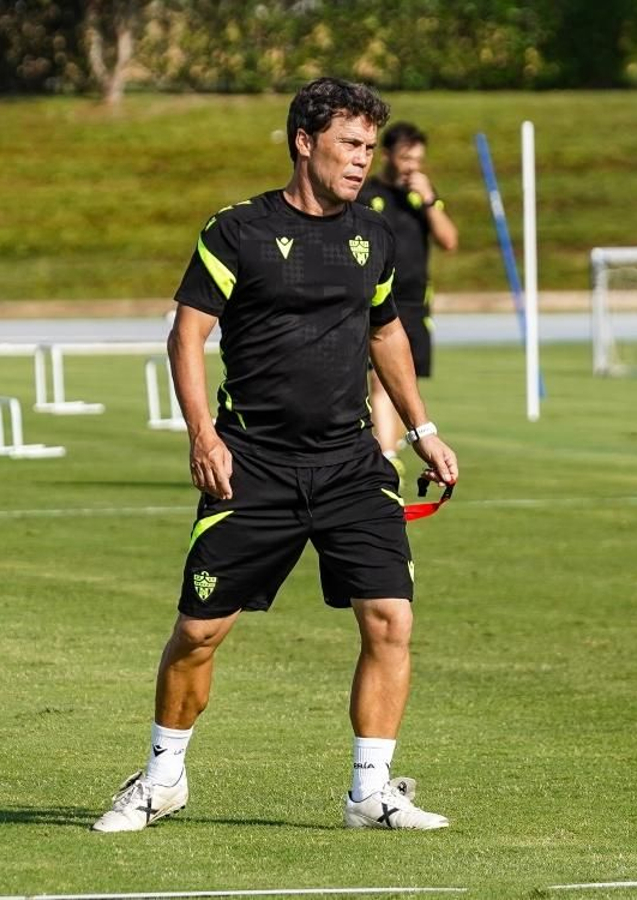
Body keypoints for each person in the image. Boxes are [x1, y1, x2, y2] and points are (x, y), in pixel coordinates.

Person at [91, 77, 459, 834]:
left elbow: (386, 332)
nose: (362, 161)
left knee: (390, 620)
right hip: (252, 461)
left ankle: (370, 790)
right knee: (199, 632)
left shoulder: (375, 235)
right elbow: (187, 334)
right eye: (349, 145)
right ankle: (162, 780)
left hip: (352, 461)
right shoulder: (238, 231)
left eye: (367, 147)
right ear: (304, 142)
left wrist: (423, 431)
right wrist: (203, 434)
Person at [356, 122, 459, 470]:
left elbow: (449, 241)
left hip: (415, 304)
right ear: (386, 155)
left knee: (403, 383)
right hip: (375, 302)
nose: (412, 165)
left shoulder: (422, 197)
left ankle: (388, 452)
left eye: (418, 159)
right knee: (379, 380)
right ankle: (387, 460)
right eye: (405, 158)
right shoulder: (366, 195)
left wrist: (430, 200)